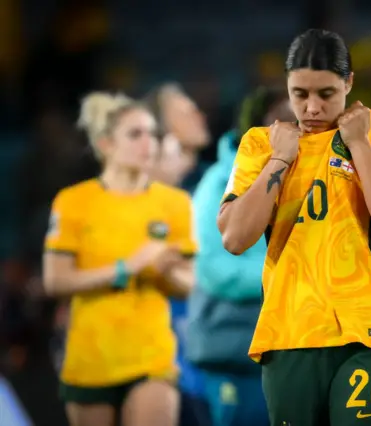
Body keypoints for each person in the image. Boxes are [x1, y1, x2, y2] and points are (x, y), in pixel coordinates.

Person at [217, 29, 371, 426]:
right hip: (290, 332)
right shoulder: (260, 144)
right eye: (299, 94)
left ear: (348, 83)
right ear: (287, 87)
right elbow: (234, 238)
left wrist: (359, 144)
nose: (311, 107)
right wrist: (279, 160)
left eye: (326, 94)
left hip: (367, 331)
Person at [43, 92, 197, 426]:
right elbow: (55, 281)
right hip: (90, 359)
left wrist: (164, 271)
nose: (149, 144)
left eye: (152, 134)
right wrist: (128, 268)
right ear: (106, 144)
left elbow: (188, 285)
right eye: (135, 134)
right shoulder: (73, 202)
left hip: (151, 358)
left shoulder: (174, 203)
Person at [187, 86, 294, 426]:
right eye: (285, 121)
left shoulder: (314, 179)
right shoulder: (218, 181)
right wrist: (291, 274)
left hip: (292, 347)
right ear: (258, 129)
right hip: (235, 345)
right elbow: (215, 270)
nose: (297, 130)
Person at [144, 83, 213, 426]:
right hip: (165, 345)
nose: (198, 114)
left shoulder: (214, 182)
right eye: (185, 111)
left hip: (209, 341)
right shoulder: (140, 196)